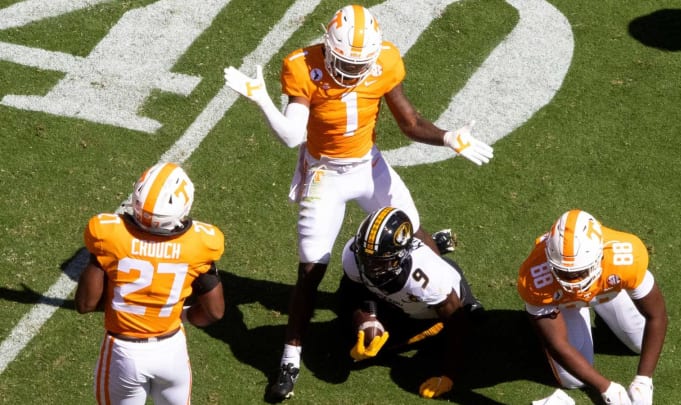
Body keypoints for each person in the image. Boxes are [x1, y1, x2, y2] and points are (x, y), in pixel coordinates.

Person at [224, 4, 493, 401]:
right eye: (345, 62)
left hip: (369, 165)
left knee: (411, 228)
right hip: (324, 175)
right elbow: (291, 136)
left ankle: (456, 297)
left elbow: (410, 122)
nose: (351, 72)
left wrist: (448, 137)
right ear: (327, 45)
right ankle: (290, 357)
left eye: (359, 64)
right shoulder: (302, 66)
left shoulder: (384, 60)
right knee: (311, 269)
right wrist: (262, 100)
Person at [75, 162, 226, 405]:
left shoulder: (109, 235)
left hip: (124, 353)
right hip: (171, 350)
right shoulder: (201, 243)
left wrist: (101, 259)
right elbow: (215, 312)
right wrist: (185, 316)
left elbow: (85, 304)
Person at [516, 209, 667, 405]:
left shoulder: (625, 256)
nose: (573, 281)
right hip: (563, 305)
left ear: (600, 255)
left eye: (580, 271)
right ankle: (578, 316)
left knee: (640, 341)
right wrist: (606, 387)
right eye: (563, 272)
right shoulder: (534, 277)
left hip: (606, 289)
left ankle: (605, 309)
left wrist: (644, 380)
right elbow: (557, 344)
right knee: (573, 380)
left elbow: (657, 315)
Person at [337, 206, 485, 399]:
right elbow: (348, 292)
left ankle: (462, 304)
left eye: (379, 261)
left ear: (401, 256)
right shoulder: (354, 255)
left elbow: (458, 327)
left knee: (378, 350)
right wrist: (366, 319)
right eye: (365, 258)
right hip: (399, 301)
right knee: (351, 334)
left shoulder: (427, 280)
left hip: (430, 306)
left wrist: (449, 376)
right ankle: (436, 246)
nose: (368, 266)